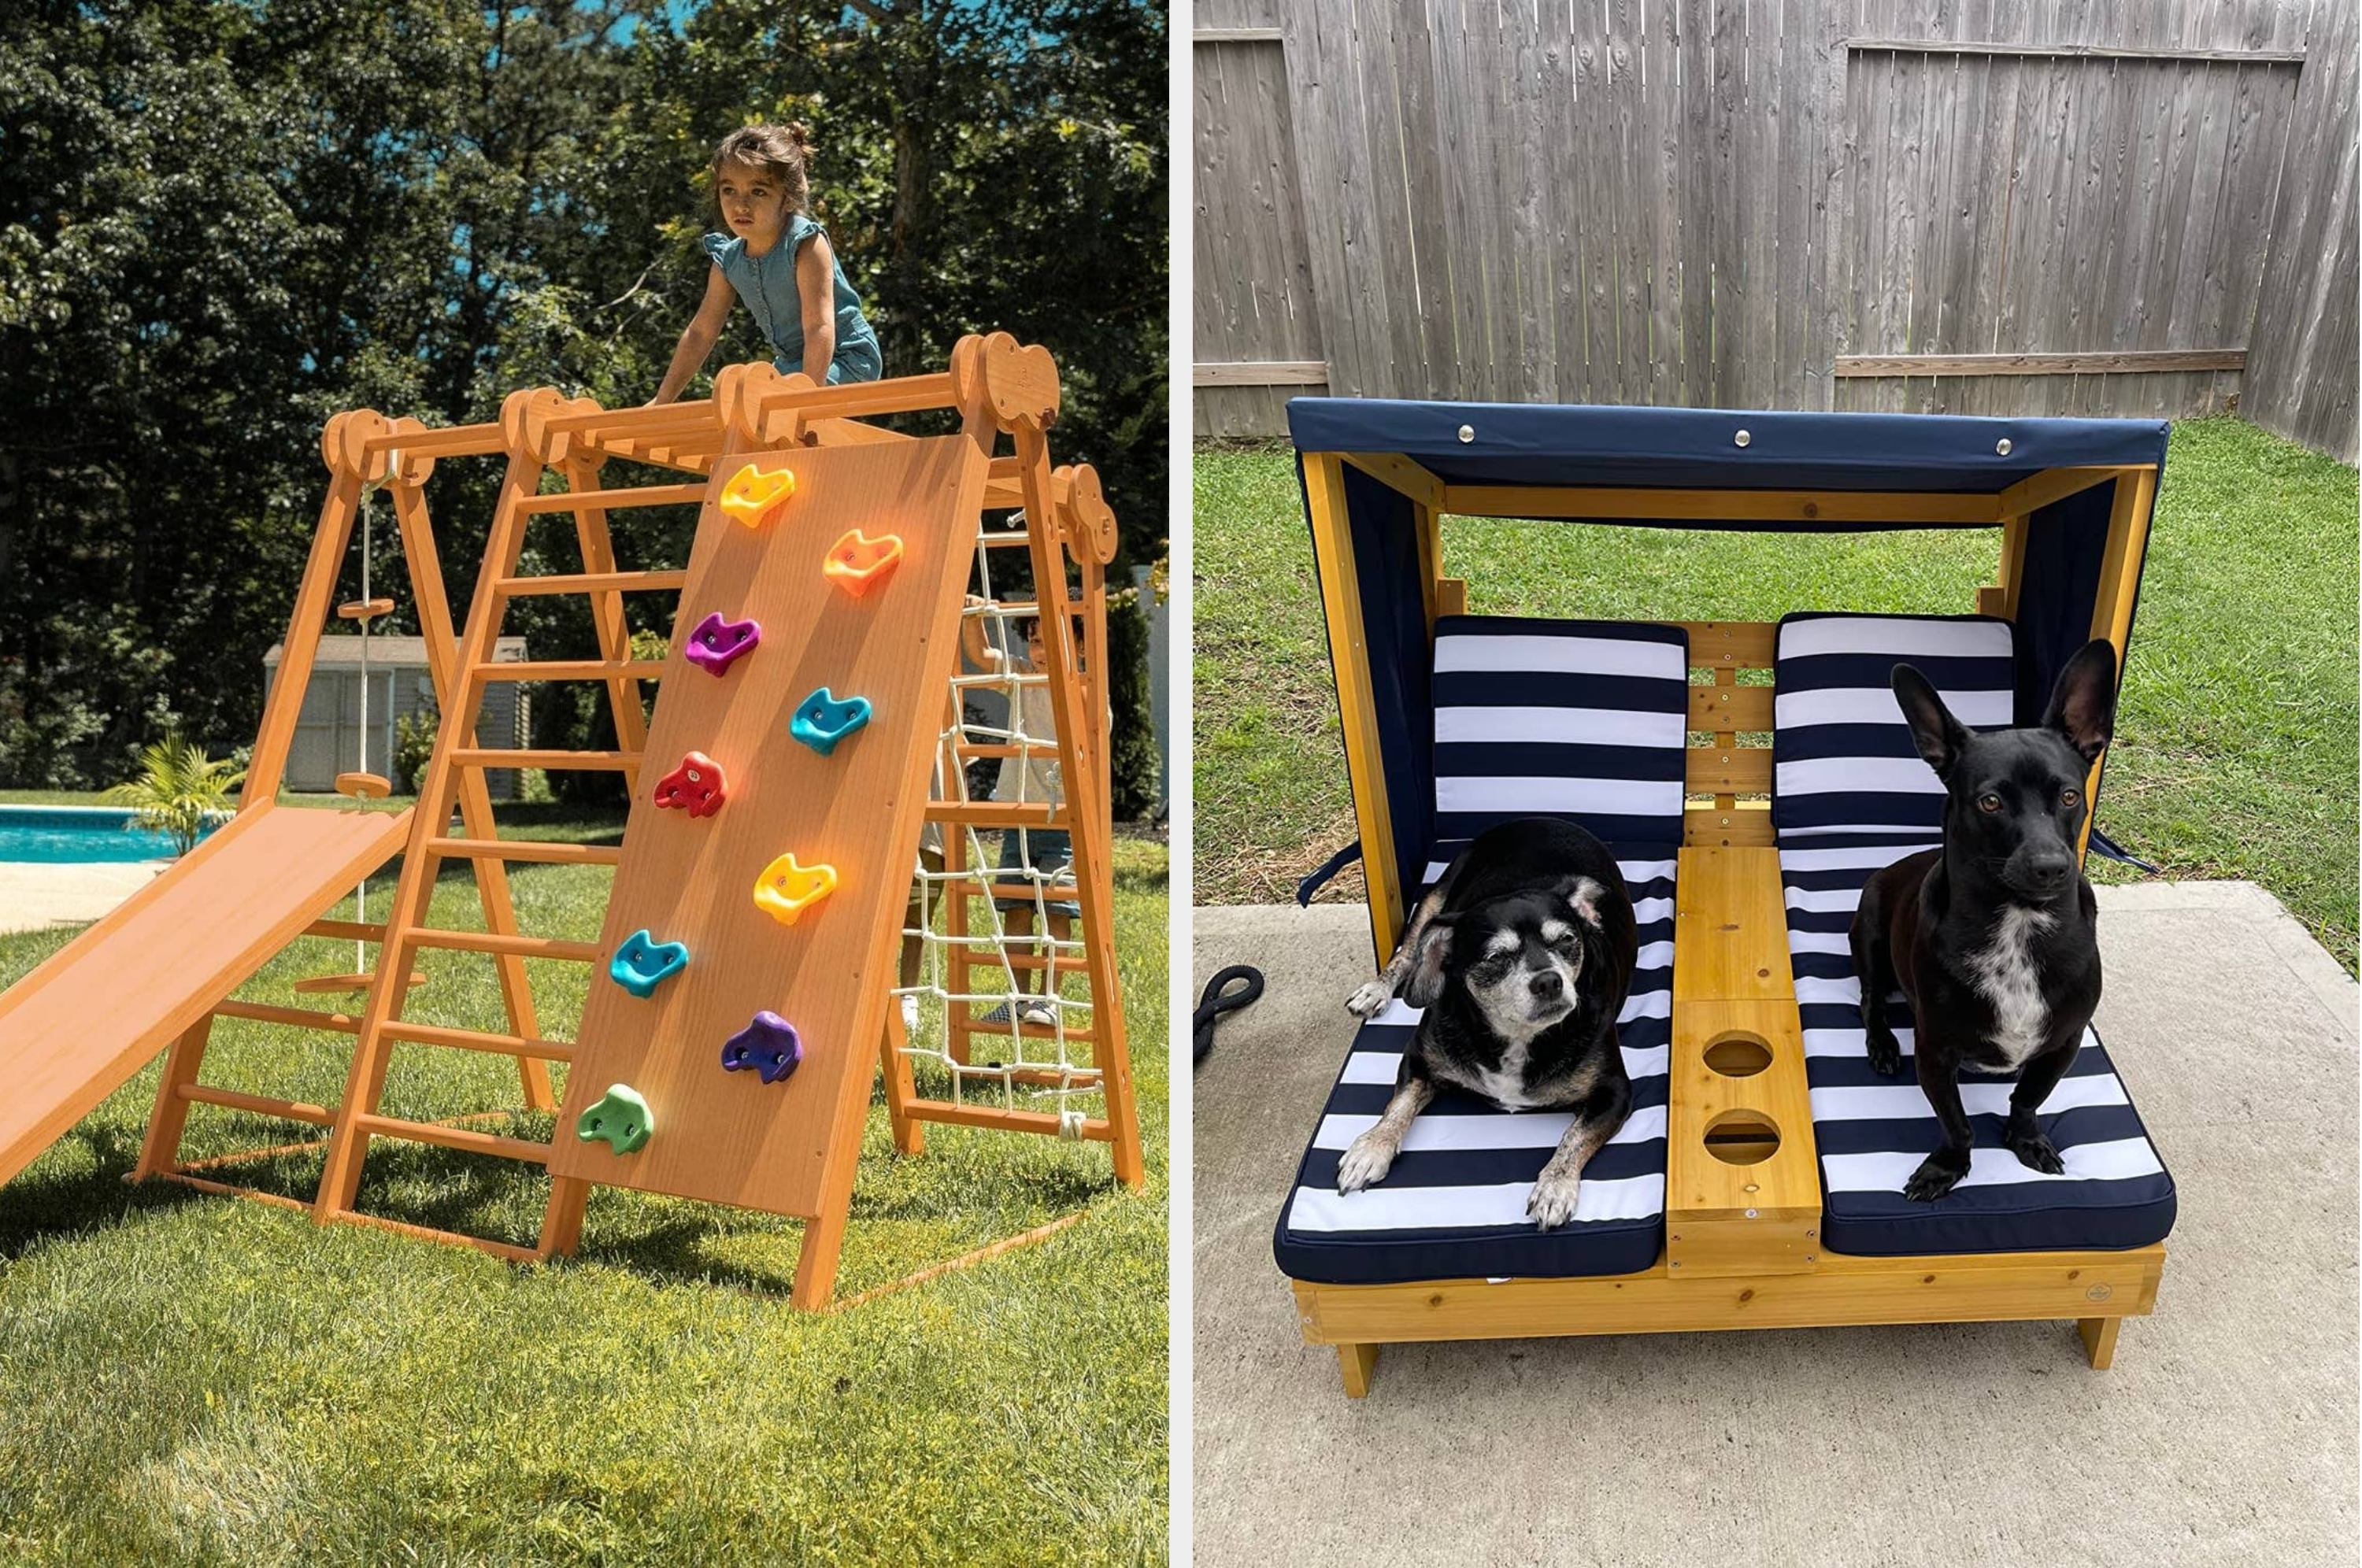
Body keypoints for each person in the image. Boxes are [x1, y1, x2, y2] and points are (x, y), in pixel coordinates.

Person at [651, 124, 883, 401]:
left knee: (756, 398)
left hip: (846, 358)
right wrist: (661, 400)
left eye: (758, 192)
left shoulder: (804, 244)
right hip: (791, 368)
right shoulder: (729, 260)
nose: (741, 205)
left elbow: (819, 327)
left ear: (789, 199)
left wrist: (806, 399)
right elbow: (701, 332)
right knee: (739, 398)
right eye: (729, 190)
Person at [959, 594, 1079, 1027]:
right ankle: (1018, 997)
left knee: (1058, 909)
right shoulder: (1023, 676)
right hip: (1020, 815)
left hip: (1063, 819)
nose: (1042, 651)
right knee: (1016, 907)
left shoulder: (1084, 688)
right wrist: (973, 614)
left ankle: (1049, 1000)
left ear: (1081, 646)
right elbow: (982, 655)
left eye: (1053, 641)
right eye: (1035, 640)